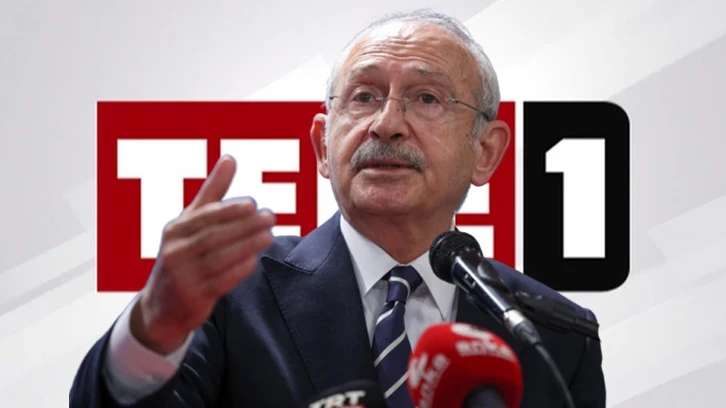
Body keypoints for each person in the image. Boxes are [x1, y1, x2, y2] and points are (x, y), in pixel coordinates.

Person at [70, 9, 605, 408]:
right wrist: (152, 331)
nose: (386, 124)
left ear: (485, 151)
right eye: (364, 96)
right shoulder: (231, 296)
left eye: (426, 98)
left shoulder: (552, 337)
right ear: (323, 147)